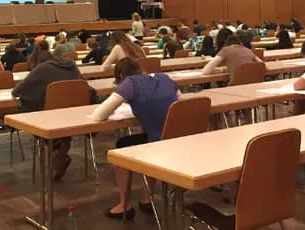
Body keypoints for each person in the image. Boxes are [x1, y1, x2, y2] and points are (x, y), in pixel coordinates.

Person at [91, 58, 180, 219]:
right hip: (178, 139)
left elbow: (99, 115)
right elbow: (180, 104)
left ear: (121, 75)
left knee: (122, 147)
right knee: (150, 138)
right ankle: (148, 198)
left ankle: (124, 205)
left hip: (159, 143)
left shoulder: (130, 83)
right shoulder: (164, 78)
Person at [12, 44, 93, 180]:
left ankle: (56, 153)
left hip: (53, 118)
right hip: (79, 114)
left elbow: (17, 92)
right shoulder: (71, 65)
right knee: (56, 115)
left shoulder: (41, 68)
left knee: (34, 115)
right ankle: (59, 151)